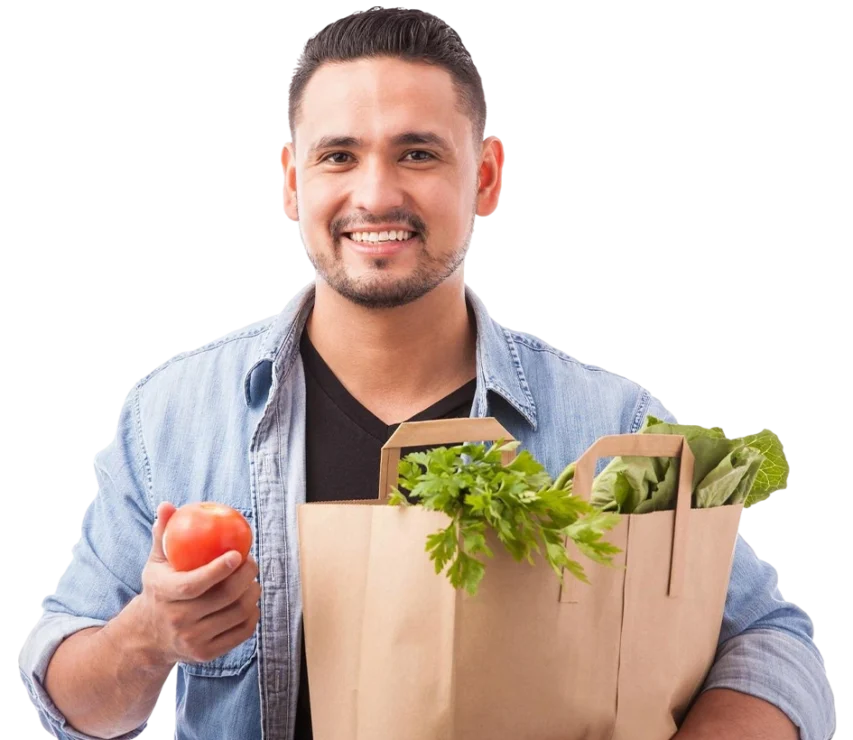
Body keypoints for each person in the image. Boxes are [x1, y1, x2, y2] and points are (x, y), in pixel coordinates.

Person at [18, 8, 833, 740]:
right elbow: (65, 698)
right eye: (338, 155)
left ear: (482, 178)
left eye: (417, 152)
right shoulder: (179, 411)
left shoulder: (608, 420)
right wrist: (150, 638)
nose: (376, 194)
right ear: (293, 181)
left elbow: (771, 638)